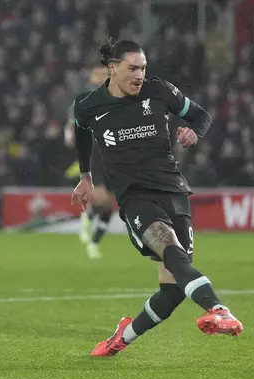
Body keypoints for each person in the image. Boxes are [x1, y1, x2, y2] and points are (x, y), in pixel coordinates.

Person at [71, 39, 244, 357]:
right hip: (136, 197)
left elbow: (201, 116)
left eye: (143, 68)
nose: (139, 75)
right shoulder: (89, 105)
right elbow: (81, 128)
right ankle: (219, 310)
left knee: (173, 290)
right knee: (172, 250)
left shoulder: (160, 91)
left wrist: (195, 132)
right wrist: (86, 176)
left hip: (175, 192)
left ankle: (124, 336)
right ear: (113, 69)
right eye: (132, 68)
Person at [64, 65, 116, 259]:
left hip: (115, 153)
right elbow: (72, 120)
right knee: (102, 197)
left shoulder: (117, 97)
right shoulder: (86, 99)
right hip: (96, 152)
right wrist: (70, 135)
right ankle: (89, 225)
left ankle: (92, 234)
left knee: (109, 205)